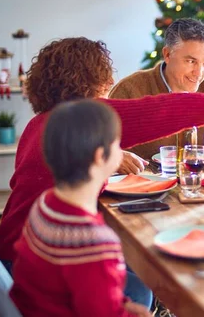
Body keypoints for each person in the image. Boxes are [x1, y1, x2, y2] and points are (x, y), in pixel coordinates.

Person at [0, 37, 204, 308]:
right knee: (139, 287)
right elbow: (160, 112)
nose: (109, 84)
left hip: (14, 254)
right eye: (104, 76)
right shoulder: (89, 118)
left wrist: (111, 157)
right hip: (30, 267)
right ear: (90, 80)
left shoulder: (43, 124)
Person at [10, 100, 152, 317]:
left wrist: (122, 305)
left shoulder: (44, 204)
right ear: (100, 156)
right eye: (117, 144)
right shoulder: (94, 243)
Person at [109, 18, 204, 160]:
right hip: (146, 180)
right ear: (167, 55)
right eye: (191, 61)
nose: (199, 73)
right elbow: (102, 147)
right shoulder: (129, 90)